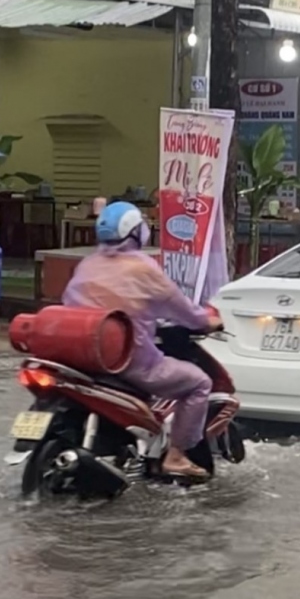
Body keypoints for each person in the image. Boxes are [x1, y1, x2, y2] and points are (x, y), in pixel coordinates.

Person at [61, 201, 223, 480]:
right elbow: (183, 310)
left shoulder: (87, 264)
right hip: (128, 361)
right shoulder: (144, 268)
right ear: (136, 232)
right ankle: (176, 456)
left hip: (79, 357)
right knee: (199, 383)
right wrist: (208, 320)